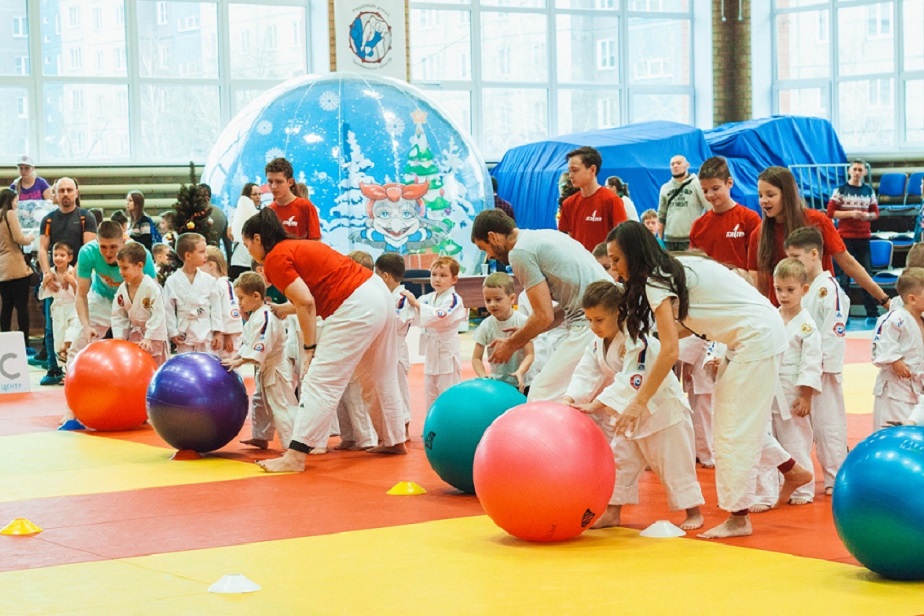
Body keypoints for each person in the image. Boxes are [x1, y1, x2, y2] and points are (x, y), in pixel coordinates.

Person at [606, 221, 812, 538]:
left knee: (733, 431)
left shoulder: (658, 280)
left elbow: (670, 350)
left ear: (634, 254)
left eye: (617, 259)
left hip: (755, 338)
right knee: (734, 422)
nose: (614, 268)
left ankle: (739, 518)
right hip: (751, 334)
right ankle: (791, 469)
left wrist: (638, 402)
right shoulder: (676, 266)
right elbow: (688, 325)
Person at [241, 208, 407, 471]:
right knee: (377, 374)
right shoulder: (298, 246)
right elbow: (311, 297)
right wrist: (289, 310)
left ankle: (295, 456)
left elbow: (307, 302)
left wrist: (309, 347)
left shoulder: (275, 258)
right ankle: (393, 439)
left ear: (258, 239)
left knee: (319, 380)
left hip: (356, 304)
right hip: (376, 292)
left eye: (247, 244)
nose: (248, 250)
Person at [562, 280, 705, 531]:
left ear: (619, 313)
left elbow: (633, 377)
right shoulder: (597, 343)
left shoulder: (638, 338)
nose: (594, 326)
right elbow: (586, 372)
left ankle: (693, 512)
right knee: (619, 461)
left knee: (674, 463)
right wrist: (569, 399)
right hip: (628, 414)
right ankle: (612, 513)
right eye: (589, 320)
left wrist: (597, 403)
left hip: (662, 411)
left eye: (599, 320)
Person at [471, 209, 610, 401]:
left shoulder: (519, 252)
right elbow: (568, 306)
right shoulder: (544, 235)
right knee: (596, 398)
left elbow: (543, 315)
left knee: (540, 393)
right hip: (611, 315)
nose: (489, 256)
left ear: (493, 237)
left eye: (484, 248)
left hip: (592, 324)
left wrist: (511, 344)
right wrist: (525, 332)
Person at [748, 166, 890, 308]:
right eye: (760, 195)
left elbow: (848, 263)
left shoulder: (817, 221)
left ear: (787, 194)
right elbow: (757, 282)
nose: (763, 201)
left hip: (819, 307)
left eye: (770, 195)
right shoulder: (759, 234)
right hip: (780, 312)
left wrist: (884, 300)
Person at [784, 227, 849, 497]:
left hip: (822, 370)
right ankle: (802, 476)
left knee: (828, 425)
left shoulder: (829, 289)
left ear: (814, 254)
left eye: (796, 257)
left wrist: (822, 368)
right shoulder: (807, 290)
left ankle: (837, 476)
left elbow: (834, 331)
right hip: (804, 368)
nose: (792, 263)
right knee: (801, 426)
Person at [768, 257, 822, 506]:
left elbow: (811, 363)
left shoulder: (808, 326)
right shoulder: (772, 317)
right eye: (779, 289)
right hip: (770, 388)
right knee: (773, 440)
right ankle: (779, 483)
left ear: (804, 289)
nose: (783, 295)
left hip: (793, 392)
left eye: (790, 290)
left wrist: (806, 395)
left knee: (796, 439)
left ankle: (804, 489)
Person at [226, 272, 296, 451]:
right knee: (260, 402)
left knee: (281, 406)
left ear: (256, 296)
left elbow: (261, 345)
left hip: (276, 370)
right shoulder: (255, 315)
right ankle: (261, 437)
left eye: (241, 298)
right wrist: (236, 358)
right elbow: (248, 343)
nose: (239, 303)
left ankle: (293, 446)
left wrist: (240, 361)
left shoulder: (265, 317)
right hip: (264, 368)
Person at [37, 178, 97, 385]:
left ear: (76, 193)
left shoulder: (86, 217)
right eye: (61, 190)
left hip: (79, 279)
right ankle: (53, 369)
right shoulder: (48, 219)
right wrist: (47, 274)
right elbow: (42, 248)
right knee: (51, 327)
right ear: (55, 194)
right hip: (54, 278)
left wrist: (74, 275)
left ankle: (79, 369)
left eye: (69, 190)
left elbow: (88, 248)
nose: (65, 194)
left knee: (79, 326)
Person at [402, 256, 466, 409]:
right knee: (430, 393)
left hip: (447, 352)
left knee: (448, 393)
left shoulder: (454, 299)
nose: (437, 279)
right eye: (434, 274)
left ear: (454, 279)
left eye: (443, 275)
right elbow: (413, 316)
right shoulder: (427, 298)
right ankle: (432, 422)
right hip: (431, 351)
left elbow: (442, 316)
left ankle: (449, 423)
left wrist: (416, 304)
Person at [331, 250, 379, 453]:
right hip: (341, 350)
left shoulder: (370, 294)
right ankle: (348, 436)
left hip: (358, 352)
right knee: (341, 399)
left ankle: (367, 438)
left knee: (356, 399)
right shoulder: (346, 291)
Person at [871, 267, 924, 430]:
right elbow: (882, 340)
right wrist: (895, 359)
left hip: (916, 388)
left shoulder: (921, 319)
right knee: (892, 430)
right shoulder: (895, 318)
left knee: (914, 431)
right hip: (895, 389)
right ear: (912, 299)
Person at [826, 160, 880, 318]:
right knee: (844, 277)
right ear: (849, 171)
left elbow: (875, 213)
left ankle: (872, 311)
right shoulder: (840, 190)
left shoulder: (869, 191)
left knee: (866, 275)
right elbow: (831, 212)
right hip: (845, 238)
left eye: (860, 170)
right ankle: (844, 312)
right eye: (854, 169)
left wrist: (867, 216)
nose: (857, 172)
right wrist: (851, 214)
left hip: (863, 237)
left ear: (864, 172)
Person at [689, 156, 761, 271]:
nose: (710, 195)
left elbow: (758, 265)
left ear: (729, 182)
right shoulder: (698, 226)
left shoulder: (749, 219)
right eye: (705, 191)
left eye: (715, 188)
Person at [472, 272, 534, 393]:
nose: (492, 304)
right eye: (488, 300)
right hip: (498, 383)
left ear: (512, 299)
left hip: (524, 382)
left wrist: (520, 371)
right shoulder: (486, 325)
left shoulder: (523, 321)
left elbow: (530, 354)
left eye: (498, 299)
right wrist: (483, 376)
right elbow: (476, 358)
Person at [557, 146, 627, 252]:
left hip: (603, 261)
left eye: (575, 170)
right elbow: (568, 241)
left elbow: (622, 240)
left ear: (592, 169)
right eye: (569, 171)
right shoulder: (568, 203)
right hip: (579, 260)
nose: (570, 175)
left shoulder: (612, 200)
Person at [163, 233, 224, 354]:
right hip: (184, 331)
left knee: (207, 361)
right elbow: (168, 308)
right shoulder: (172, 281)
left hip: (206, 331)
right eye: (202, 252)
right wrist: (173, 332)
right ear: (188, 255)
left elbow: (216, 307)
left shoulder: (209, 280)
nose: (206, 255)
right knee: (186, 362)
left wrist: (218, 332)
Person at [111, 242, 169, 366]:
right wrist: (119, 337)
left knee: (155, 370)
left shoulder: (151, 287)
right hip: (134, 338)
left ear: (139, 265)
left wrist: (149, 337)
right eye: (119, 267)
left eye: (125, 268)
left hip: (153, 339)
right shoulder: (122, 289)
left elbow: (158, 315)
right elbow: (118, 315)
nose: (120, 272)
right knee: (136, 368)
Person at [374, 253, 414, 432]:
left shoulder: (403, 298)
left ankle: (404, 427)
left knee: (399, 389)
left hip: (397, 349)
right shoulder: (387, 297)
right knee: (386, 390)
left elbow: (397, 321)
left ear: (385, 276)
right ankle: (391, 428)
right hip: (384, 348)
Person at [0, 188, 35, 347]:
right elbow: (18, 238)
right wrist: (30, 238)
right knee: (22, 307)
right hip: (16, 267)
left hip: (2, 269)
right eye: (16, 201)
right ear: (10, 200)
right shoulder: (10, 214)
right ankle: (24, 342)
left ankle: (4, 341)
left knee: (6, 307)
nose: (17, 204)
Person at [657, 155, 709, 251]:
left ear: (687, 165)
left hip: (691, 238)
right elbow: (661, 215)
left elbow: (710, 209)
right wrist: (659, 239)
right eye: (672, 164)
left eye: (679, 163)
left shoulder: (697, 184)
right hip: (669, 239)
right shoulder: (665, 188)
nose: (675, 166)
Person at [37, 242, 78, 363]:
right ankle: (64, 367)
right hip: (58, 309)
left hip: (73, 308)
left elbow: (81, 294)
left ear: (69, 258)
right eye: (55, 255)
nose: (58, 258)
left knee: (73, 332)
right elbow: (41, 295)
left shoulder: (73, 272)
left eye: (62, 255)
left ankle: (70, 355)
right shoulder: (50, 273)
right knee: (59, 340)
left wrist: (72, 282)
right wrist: (45, 283)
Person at [202, 245, 244, 360]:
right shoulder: (212, 285)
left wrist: (228, 334)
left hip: (227, 338)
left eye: (201, 264)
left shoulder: (224, 284)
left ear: (211, 265)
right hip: (218, 334)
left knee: (229, 363)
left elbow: (231, 309)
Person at [265, 157, 321, 241]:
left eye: (279, 182)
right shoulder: (269, 211)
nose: (273, 186)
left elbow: (315, 241)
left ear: (290, 182)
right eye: (270, 182)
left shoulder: (305, 206)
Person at [230, 183, 261, 280]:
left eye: (259, 194)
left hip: (254, 260)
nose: (258, 197)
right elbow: (230, 234)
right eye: (255, 194)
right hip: (239, 259)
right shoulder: (236, 214)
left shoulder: (261, 214)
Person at [199, 183, 233, 262]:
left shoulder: (197, 214)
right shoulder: (220, 213)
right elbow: (227, 241)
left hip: (202, 258)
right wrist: (229, 260)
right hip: (216, 256)